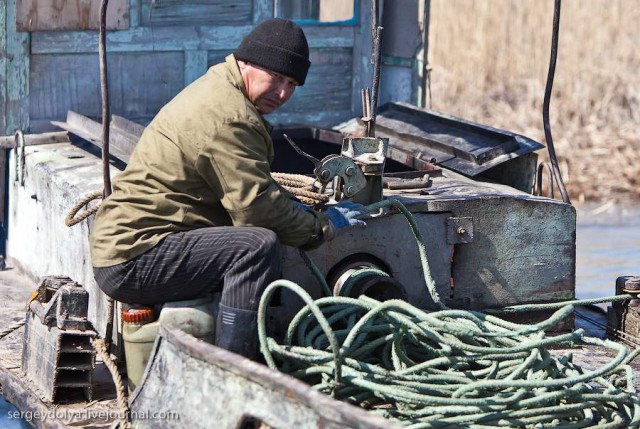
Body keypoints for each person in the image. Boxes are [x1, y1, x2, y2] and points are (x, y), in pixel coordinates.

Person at [89, 18, 365, 359]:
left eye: (292, 83)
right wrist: (322, 227)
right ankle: (233, 367)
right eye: (276, 78)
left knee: (254, 239)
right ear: (248, 63)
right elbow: (255, 208)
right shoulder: (230, 116)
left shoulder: (220, 88)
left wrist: (297, 209)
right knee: (255, 246)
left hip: (132, 246)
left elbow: (252, 189)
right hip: (133, 256)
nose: (282, 93)